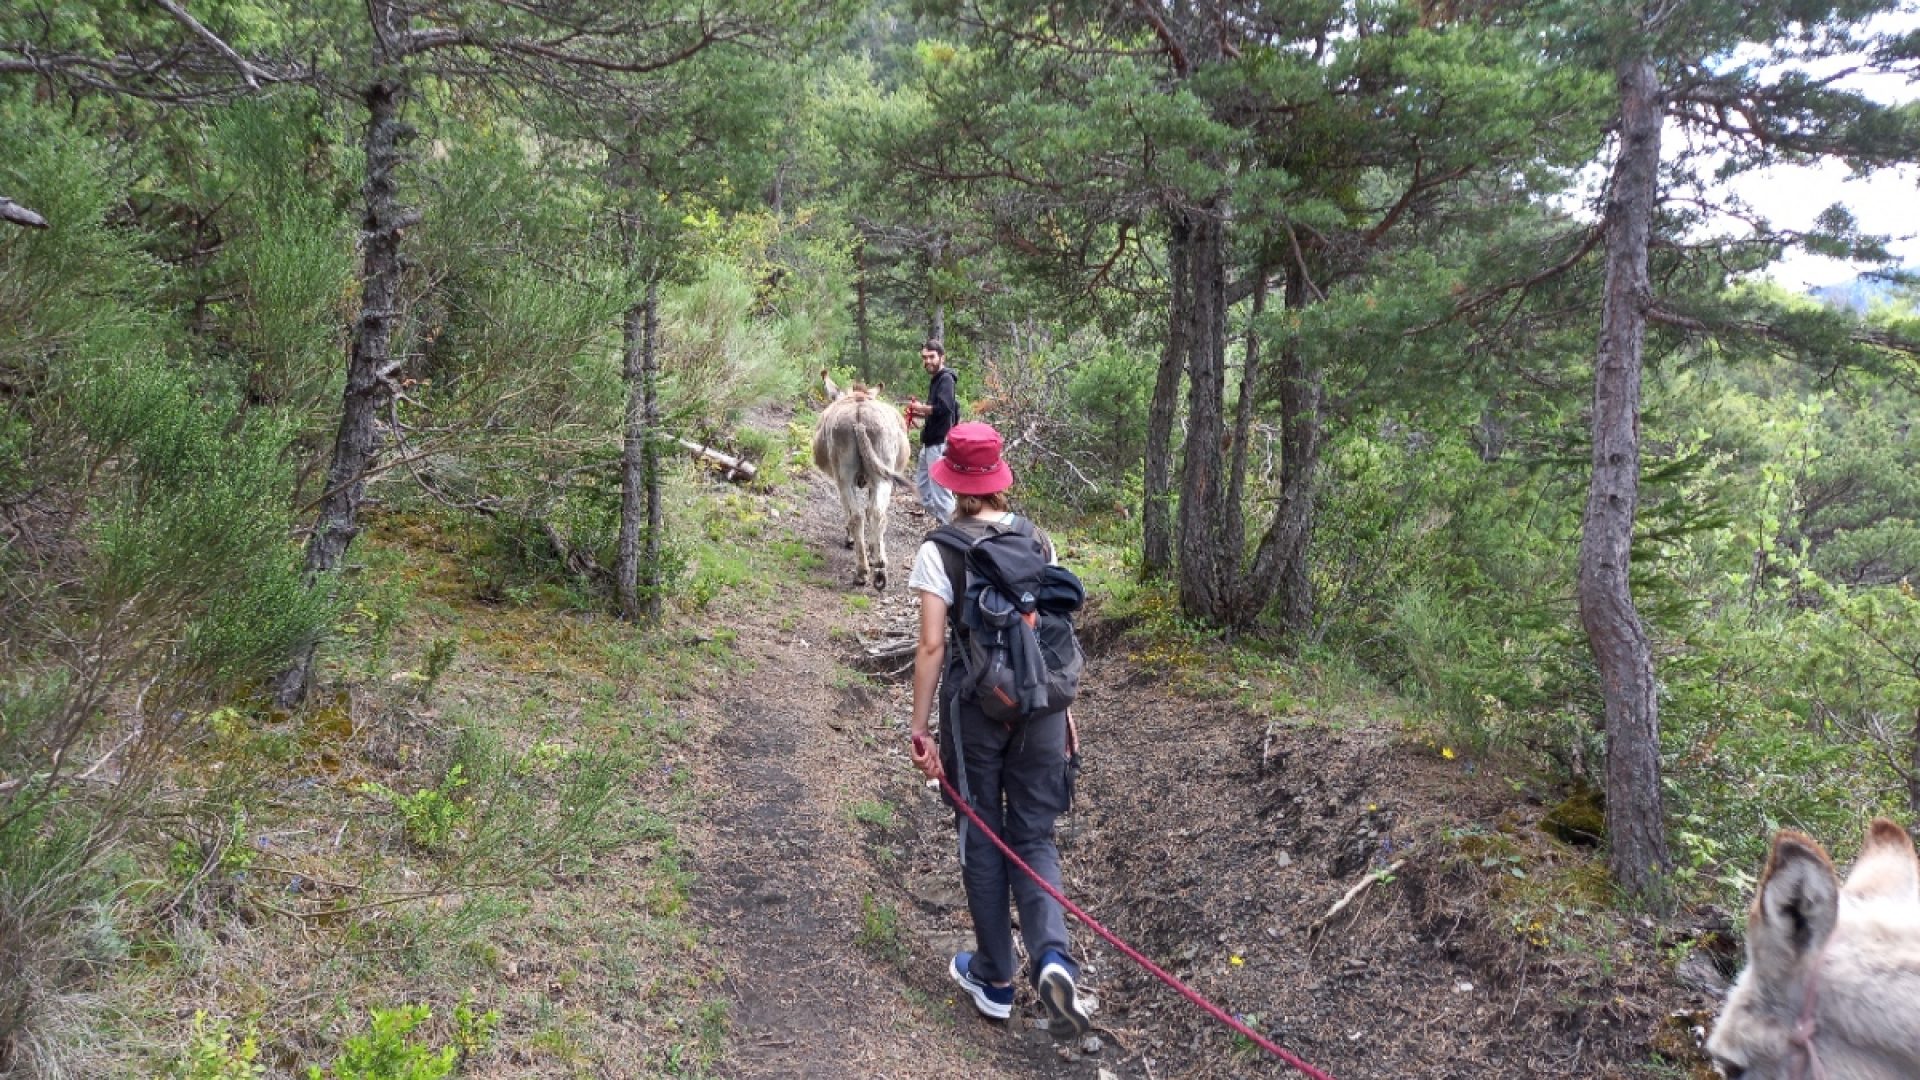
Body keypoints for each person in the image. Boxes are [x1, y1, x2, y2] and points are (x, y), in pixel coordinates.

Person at [906, 421, 1092, 1039]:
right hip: (1041, 705)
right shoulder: (1038, 542)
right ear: (999, 476)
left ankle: (994, 977)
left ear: (954, 481)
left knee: (981, 832)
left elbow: (933, 646)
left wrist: (920, 727)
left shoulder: (940, 550)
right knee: (1035, 835)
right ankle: (1054, 957)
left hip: (976, 710)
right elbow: (1053, 636)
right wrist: (1065, 713)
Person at [904, 340, 958, 524]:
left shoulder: (946, 379)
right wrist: (919, 411)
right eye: (924, 357)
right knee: (923, 487)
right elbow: (937, 410)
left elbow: (944, 407)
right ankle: (945, 523)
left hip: (939, 444)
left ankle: (953, 531)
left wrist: (921, 408)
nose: (927, 361)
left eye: (931, 357)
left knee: (941, 492)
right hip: (930, 442)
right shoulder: (937, 380)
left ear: (942, 357)